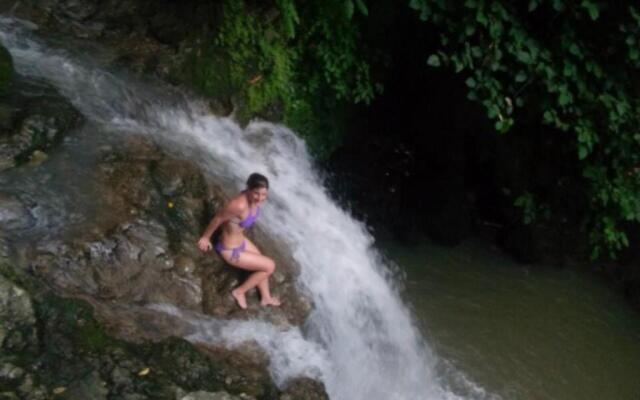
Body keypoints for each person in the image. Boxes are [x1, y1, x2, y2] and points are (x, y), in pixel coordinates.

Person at [197, 173, 281, 309]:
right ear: (248, 188)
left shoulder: (252, 201)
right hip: (230, 250)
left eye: (264, 194)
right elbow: (218, 219)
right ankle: (238, 292)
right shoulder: (238, 205)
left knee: (261, 260)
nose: (260, 198)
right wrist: (206, 238)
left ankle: (265, 297)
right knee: (270, 266)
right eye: (256, 193)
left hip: (241, 241)